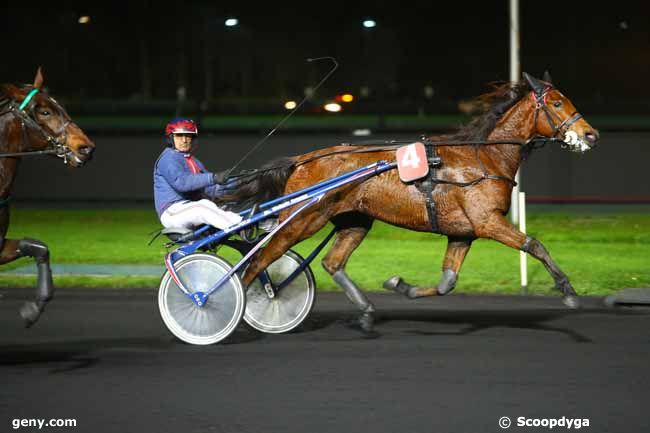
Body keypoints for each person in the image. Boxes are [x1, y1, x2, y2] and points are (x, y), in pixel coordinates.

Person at [153, 117, 243, 231]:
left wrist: (240, 182)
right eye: (179, 136)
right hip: (172, 211)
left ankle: (265, 227)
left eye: (188, 136)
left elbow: (211, 189)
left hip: (191, 208)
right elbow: (182, 182)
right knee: (203, 206)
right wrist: (213, 178)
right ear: (171, 138)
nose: (184, 140)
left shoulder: (194, 161)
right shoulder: (168, 158)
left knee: (225, 205)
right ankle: (241, 226)